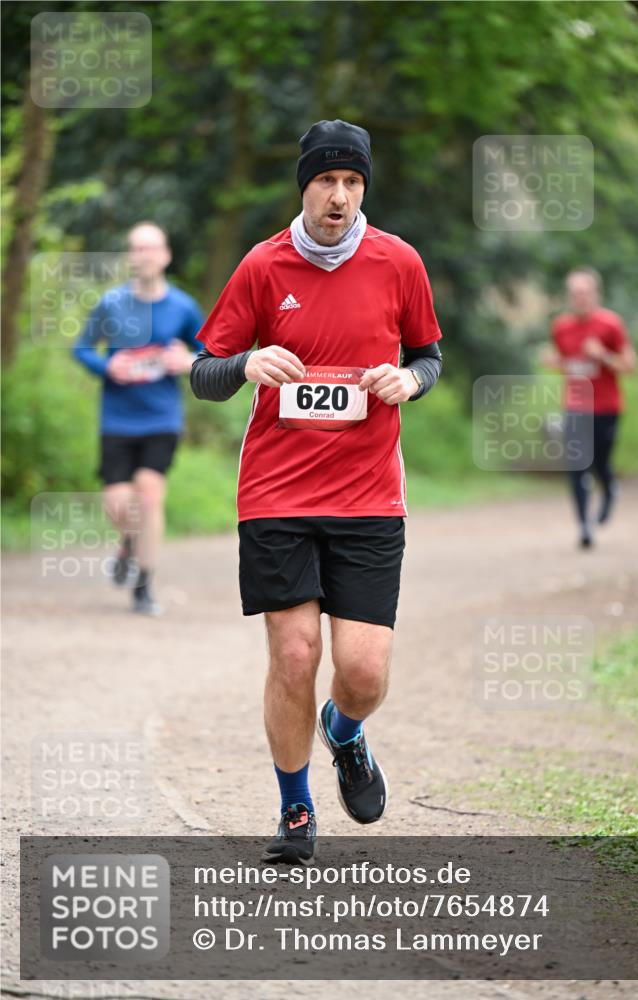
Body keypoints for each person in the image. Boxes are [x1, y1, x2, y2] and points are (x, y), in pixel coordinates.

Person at [191, 119, 442, 865]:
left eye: (353, 182)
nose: (339, 196)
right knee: (293, 655)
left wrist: (408, 381)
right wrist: (245, 365)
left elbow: (428, 355)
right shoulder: (263, 267)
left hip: (368, 497)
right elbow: (204, 372)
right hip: (275, 494)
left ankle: (345, 730)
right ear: (303, 185)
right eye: (326, 181)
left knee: (361, 672)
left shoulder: (397, 261)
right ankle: (295, 809)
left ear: (365, 187)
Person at [73, 221, 204, 614]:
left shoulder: (183, 307)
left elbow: (209, 354)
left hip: (161, 418)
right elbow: (82, 349)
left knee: (149, 496)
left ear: (165, 255)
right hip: (117, 418)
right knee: (118, 503)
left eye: (151, 248)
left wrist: (185, 361)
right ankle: (129, 543)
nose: (144, 255)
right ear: (130, 256)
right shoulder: (112, 303)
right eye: (136, 248)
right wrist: (106, 368)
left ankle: (144, 585)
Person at [546, 267, 635, 548]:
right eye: (574, 293)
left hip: (607, 407)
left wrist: (604, 355)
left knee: (599, 463)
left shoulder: (611, 324)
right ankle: (584, 525)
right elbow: (566, 363)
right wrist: (555, 363)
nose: (579, 298)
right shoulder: (560, 327)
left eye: (584, 292)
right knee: (576, 464)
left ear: (595, 294)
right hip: (575, 406)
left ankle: (610, 488)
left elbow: (630, 366)